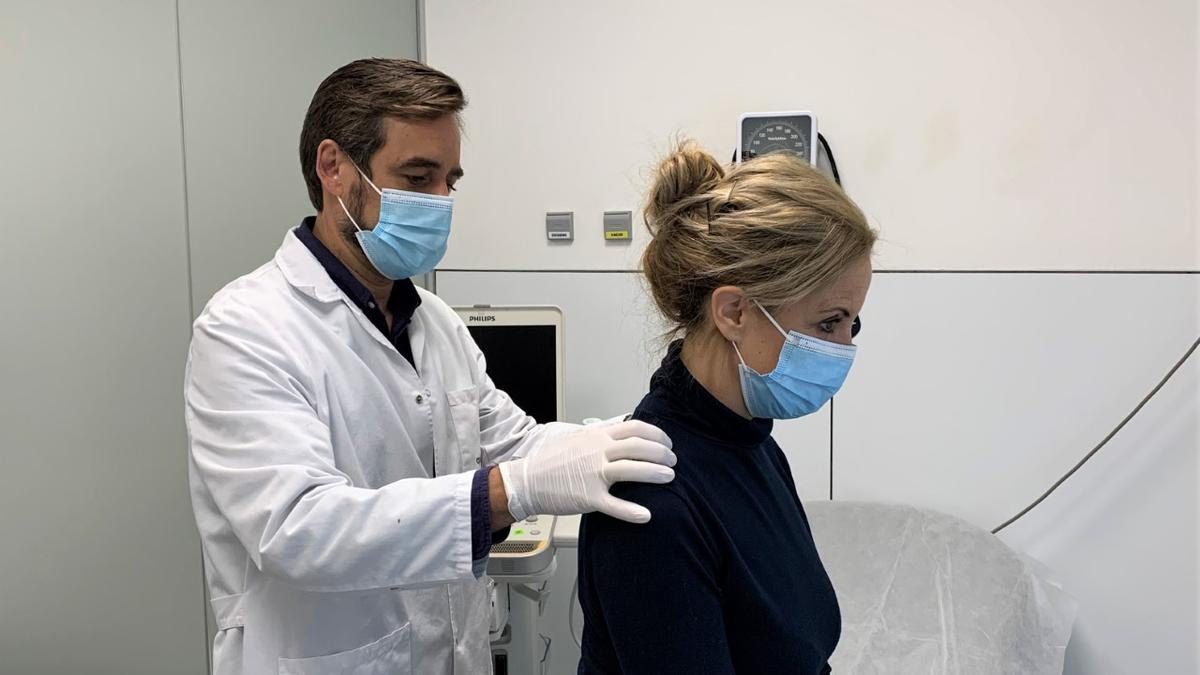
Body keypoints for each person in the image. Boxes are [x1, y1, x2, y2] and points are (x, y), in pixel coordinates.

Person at [184, 58, 677, 675]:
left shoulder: (436, 322)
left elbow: (514, 442)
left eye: (451, 180)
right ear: (334, 168)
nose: (441, 201)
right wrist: (513, 492)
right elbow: (299, 530)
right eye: (417, 177)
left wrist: (616, 441)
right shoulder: (246, 329)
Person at [577, 142, 876, 674]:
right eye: (829, 323)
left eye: (854, 324)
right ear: (734, 311)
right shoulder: (652, 501)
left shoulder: (750, 443)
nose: (844, 348)